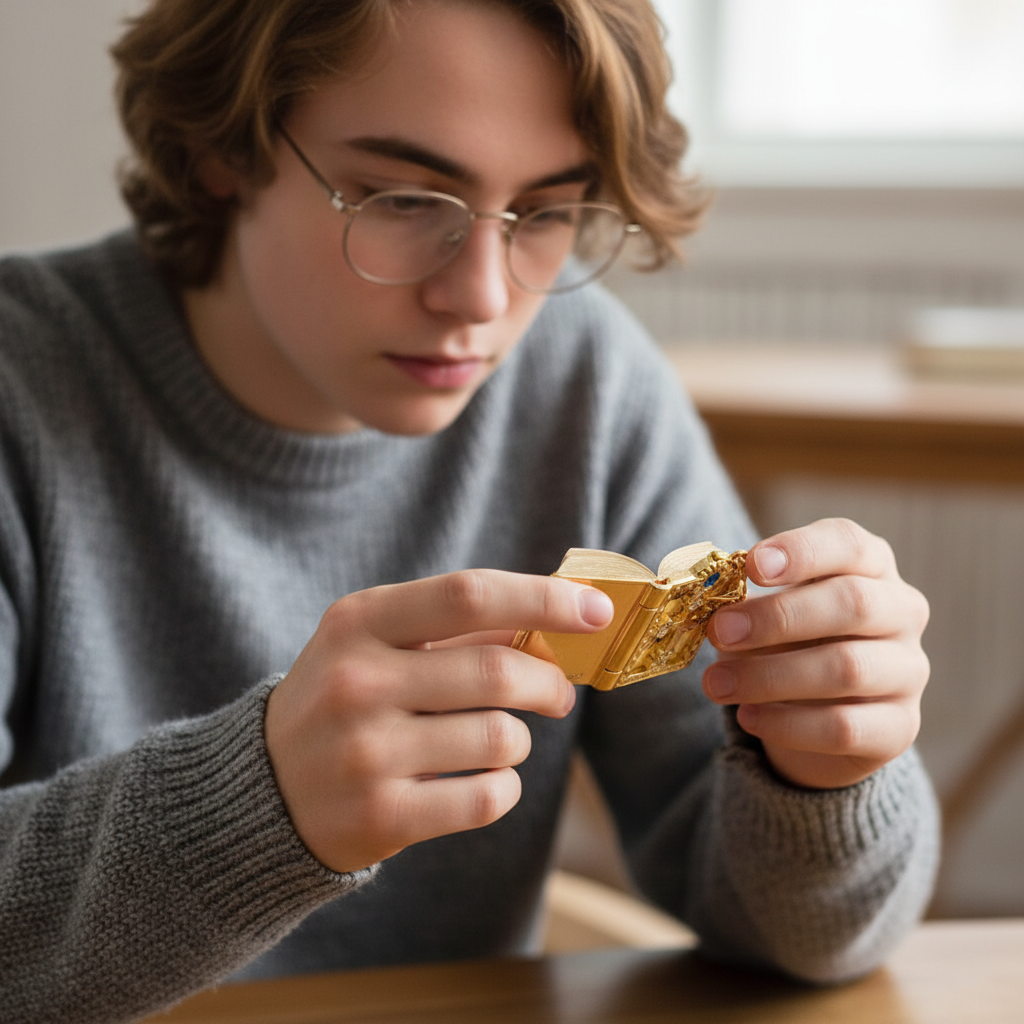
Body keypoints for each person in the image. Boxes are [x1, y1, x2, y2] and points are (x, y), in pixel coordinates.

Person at [0, 1, 938, 1021]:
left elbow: (804, 947)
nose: (482, 297)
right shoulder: (23, 391)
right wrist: (250, 807)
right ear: (219, 145)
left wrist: (822, 776)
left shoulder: (586, 385)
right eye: (402, 198)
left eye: (545, 212)